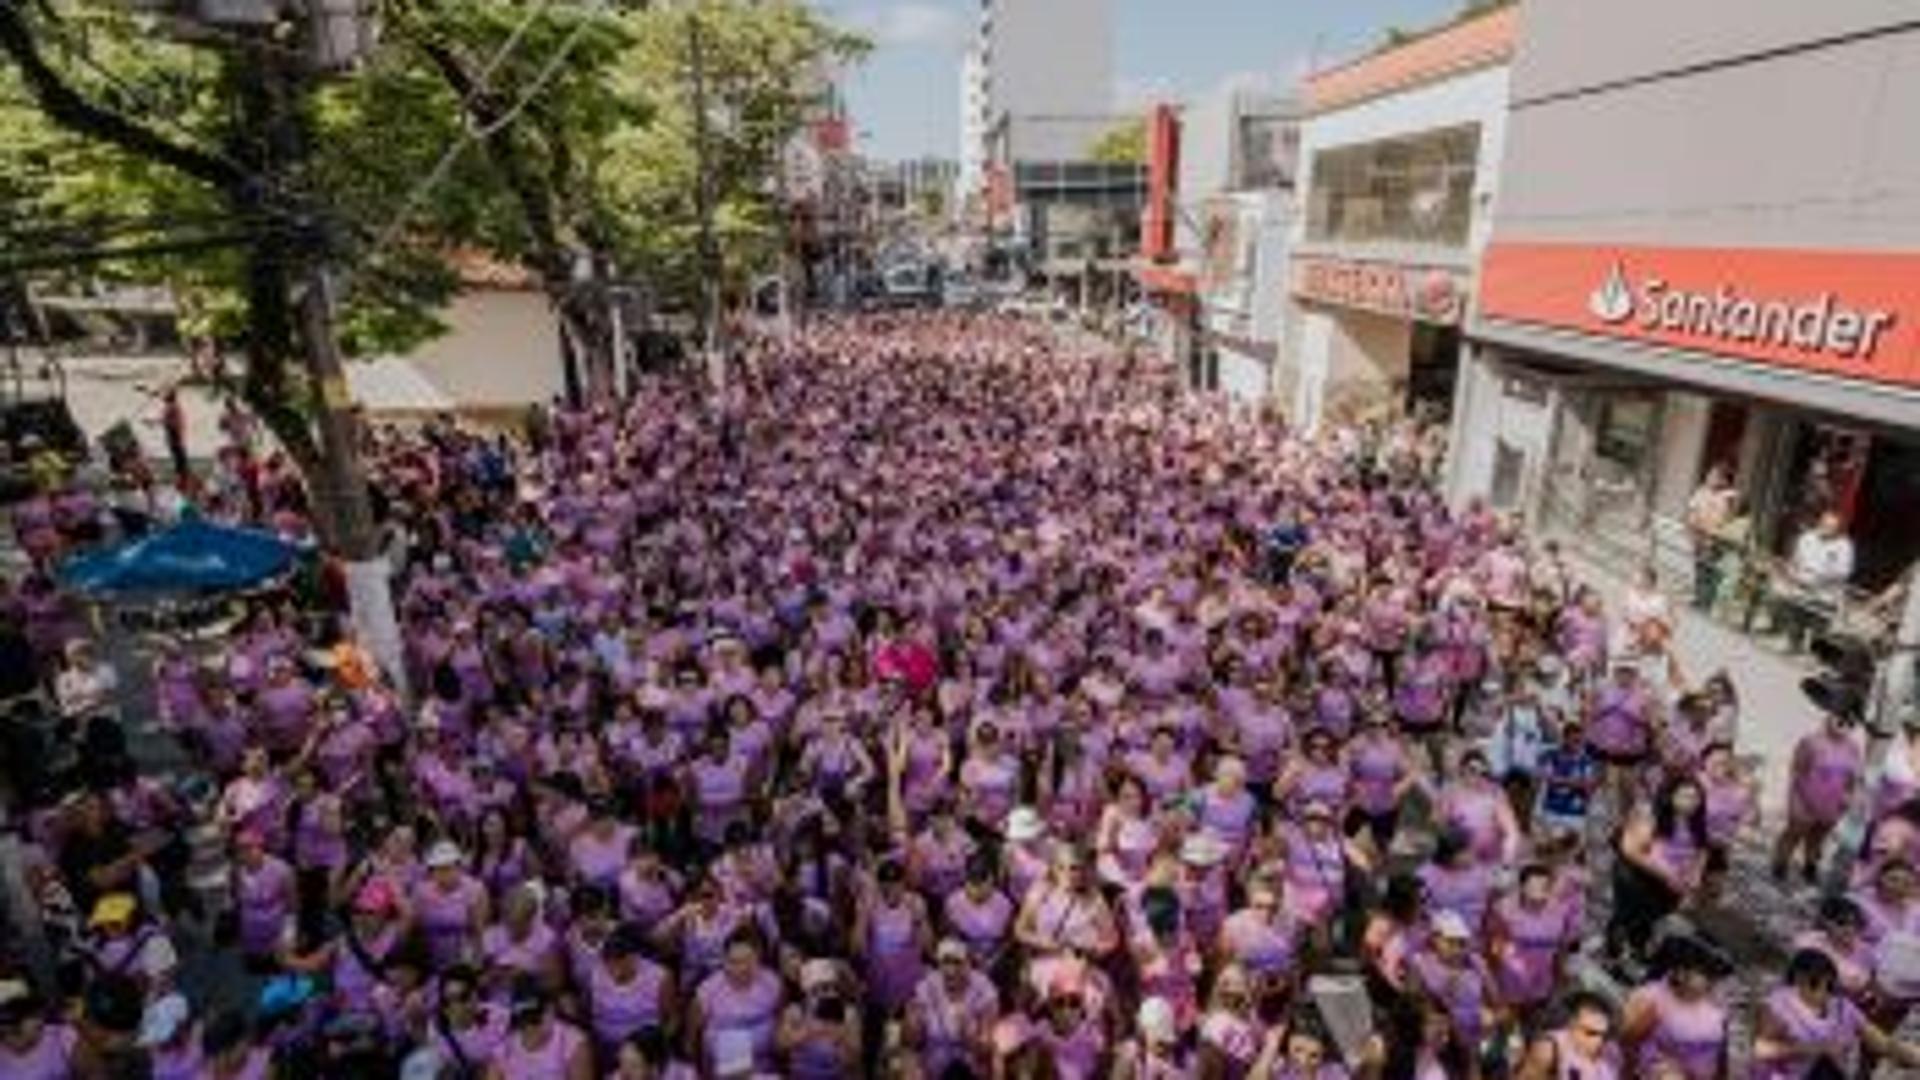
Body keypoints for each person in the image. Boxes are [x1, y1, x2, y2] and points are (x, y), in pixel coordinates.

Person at [1752, 948, 1920, 1078]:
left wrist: (1911, 1056)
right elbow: (1762, 1049)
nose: (1822, 992)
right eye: (1815, 984)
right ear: (1798, 980)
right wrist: (1814, 1049)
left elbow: (1881, 1042)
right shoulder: (1778, 1006)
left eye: (1829, 985)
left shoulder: (1842, 1007)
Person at [1774, 697, 1864, 887]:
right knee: (1794, 833)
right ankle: (1780, 863)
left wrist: (1847, 799)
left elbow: (1852, 777)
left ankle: (1810, 866)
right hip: (1804, 800)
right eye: (1840, 719)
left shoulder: (1854, 748)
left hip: (1832, 803)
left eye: (1850, 722)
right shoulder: (1811, 741)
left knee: (1818, 837)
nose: (1844, 725)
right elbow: (1796, 771)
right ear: (1829, 717)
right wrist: (1795, 801)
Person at [1618, 933, 1732, 1080]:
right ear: (1682, 971)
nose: (1712, 982)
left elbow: (1721, 1054)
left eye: (1715, 976)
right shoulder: (1653, 999)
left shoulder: (1716, 1006)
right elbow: (1626, 1046)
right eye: (1707, 975)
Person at [1774, 512, 1856, 652]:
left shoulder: (1844, 545)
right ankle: (1793, 644)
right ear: (1820, 523)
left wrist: (1822, 577)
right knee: (1796, 617)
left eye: (1833, 527)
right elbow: (1796, 559)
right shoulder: (1806, 538)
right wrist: (1792, 573)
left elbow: (1844, 571)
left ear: (1838, 529)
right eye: (1826, 525)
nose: (1828, 529)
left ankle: (1816, 652)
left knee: (1819, 624)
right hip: (1801, 585)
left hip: (1825, 591)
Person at [1515, 990, 1621, 1080]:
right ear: (1571, 1025)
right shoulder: (1550, 1050)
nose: (1598, 1042)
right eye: (1590, 1033)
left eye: (1604, 1036)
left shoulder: (1605, 1061)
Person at [1684, 465, 1739, 612]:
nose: (1709, 478)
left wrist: (1710, 529)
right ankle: (1698, 598)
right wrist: (1692, 525)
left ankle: (1705, 602)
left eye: (1714, 476)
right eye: (1709, 474)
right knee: (1699, 567)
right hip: (1698, 536)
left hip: (1713, 539)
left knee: (1709, 569)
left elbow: (1723, 519)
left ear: (1723, 481)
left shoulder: (1728, 498)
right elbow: (1692, 510)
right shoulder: (1702, 491)